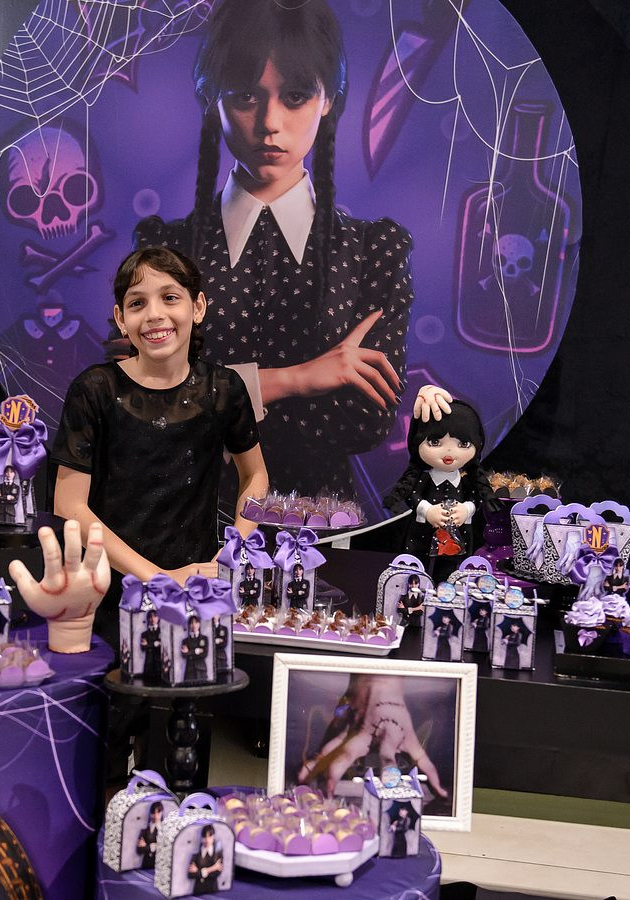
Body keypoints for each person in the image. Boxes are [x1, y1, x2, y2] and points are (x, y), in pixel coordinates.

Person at [132, 0, 411, 504]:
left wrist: (205, 396)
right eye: (245, 95)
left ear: (329, 99)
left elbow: (363, 420)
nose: (269, 123)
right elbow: (141, 407)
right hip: (182, 520)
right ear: (210, 96)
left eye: (296, 95)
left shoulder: (374, 251)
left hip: (320, 524)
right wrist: (301, 379)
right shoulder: (164, 249)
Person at [51, 246, 268, 645]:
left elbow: (255, 475)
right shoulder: (95, 390)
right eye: (137, 303)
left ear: (197, 307)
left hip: (197, 592)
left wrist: (231, 555)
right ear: (121, 318)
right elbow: (69, 506)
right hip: (110, 592)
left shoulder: (223, 388)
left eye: (169, 297)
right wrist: (159, 578)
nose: (154, 314)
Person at [384, 398, 496, 584]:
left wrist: (466, 509)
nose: (449, 452)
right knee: (415, 572)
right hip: (421, 535)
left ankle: (444, 595)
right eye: (435, 442)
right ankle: (414, 595)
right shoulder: (423, 478)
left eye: (463, 444)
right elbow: (412, 497)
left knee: (447, 573)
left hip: (455, 538)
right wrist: (427, 510)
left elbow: (475, 498)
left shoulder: (467, 480)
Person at [297, 673, 448, 808]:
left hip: (362, 702)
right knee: (347, 751)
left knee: (345, 750)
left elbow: (418, 762)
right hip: (364, 697)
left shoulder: (373, 732)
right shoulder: (393, 735)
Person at [187, 824, 223, 895]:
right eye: (204, 836)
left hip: (212, 890)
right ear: (201, 838)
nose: (207, 840)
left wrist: (198, 871)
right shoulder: (196, 852)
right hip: (198, 890)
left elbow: (217, 873)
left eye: (210, 836)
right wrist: (213, 868)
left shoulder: (218, 852)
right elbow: (191, 874)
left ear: (213, 837)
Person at [180, 614, 209, 683]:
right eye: (191, 623)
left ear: (199, 624)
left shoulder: (204, 638)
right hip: (189, 670)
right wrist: (196, 651)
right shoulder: (185, 641)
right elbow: (184, 655)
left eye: (196, 622)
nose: (194, 625)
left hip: (201, 669)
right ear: (189, 625)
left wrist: (189, 652)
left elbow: (204, 654)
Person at [138, 609, 165, 683]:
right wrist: (155, 643)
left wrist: (149, 644)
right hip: (149, 662)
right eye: (150, 617)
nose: (153, 619)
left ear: (158, 618)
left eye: (155, 616)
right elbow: (143, 647)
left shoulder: (162, 632)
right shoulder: (144, 634)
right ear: (148, 619)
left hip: (159, 661)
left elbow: (162, 645)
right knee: (147, 681)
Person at [136, 800, 164, 869]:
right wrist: (152, 847)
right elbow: (139, 849)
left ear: (162, 812)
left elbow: (164, 848)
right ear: (150, 813)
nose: (155, 816)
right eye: (153, 812)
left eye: (158, 812)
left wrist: (146, 846)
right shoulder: (144, 829)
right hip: (146, 865)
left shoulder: (164, 829)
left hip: (160, 866)